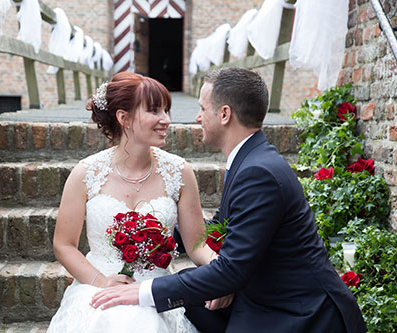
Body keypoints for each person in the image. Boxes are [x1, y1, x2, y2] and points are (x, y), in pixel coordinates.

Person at [91, 67, 367, 333]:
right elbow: (222, 231)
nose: (197, 117)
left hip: (299, 312)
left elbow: (231, 270)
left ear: (224, 114)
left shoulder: (258, 172)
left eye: (202, 108)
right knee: (178, 309)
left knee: (161, 305)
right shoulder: (250, 160)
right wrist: (157, 231)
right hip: (265, 293)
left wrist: (141, 291)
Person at [47, 72, 220, 332]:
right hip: (99, 286)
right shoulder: (86, 173)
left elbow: (197, 244)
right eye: (154, 110)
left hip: (155, 289)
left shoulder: (179, 172)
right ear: (123, 118)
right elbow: (63, 244)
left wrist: (222, 274)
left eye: (166, 110)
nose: (166, 120)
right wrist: (102, 282)